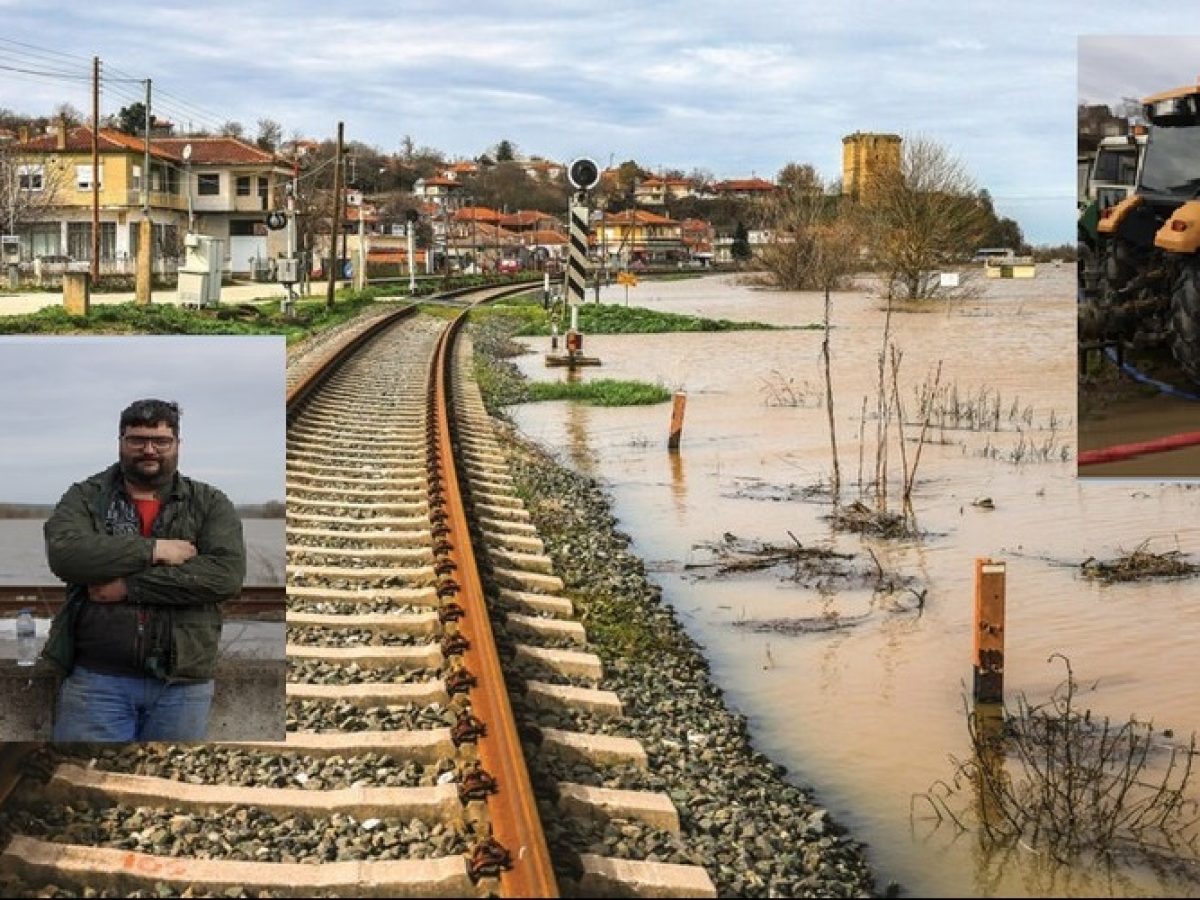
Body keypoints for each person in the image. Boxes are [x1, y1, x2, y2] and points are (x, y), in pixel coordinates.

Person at [42, 398, 246, 741]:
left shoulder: (209, 502)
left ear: (177, 444)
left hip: (183, 685)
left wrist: (128, 587)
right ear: (121, 442)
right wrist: (155, 549)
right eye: (137, 440)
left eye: (160, 441)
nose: (149, 449)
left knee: (171, 772)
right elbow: (66, 555)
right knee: (84, 770)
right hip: (96, 680)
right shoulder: (86, 496)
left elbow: (225, 575)